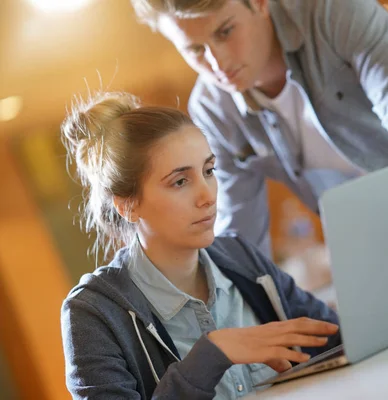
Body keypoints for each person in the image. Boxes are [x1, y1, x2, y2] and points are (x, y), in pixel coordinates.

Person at [131, 0, 388, 256]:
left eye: (225, 31)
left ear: (259, 2)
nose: (218, 63)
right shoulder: (213, 113)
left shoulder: (335, 12)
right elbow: (238, 238)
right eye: (195, 50)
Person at [60, 92, 341, 400]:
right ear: (127, 206)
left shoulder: (240, 257)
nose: (207, 196)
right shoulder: (93, 313)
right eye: (180, 182)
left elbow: (334, 339)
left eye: (208, 171)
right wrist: (213, 355)